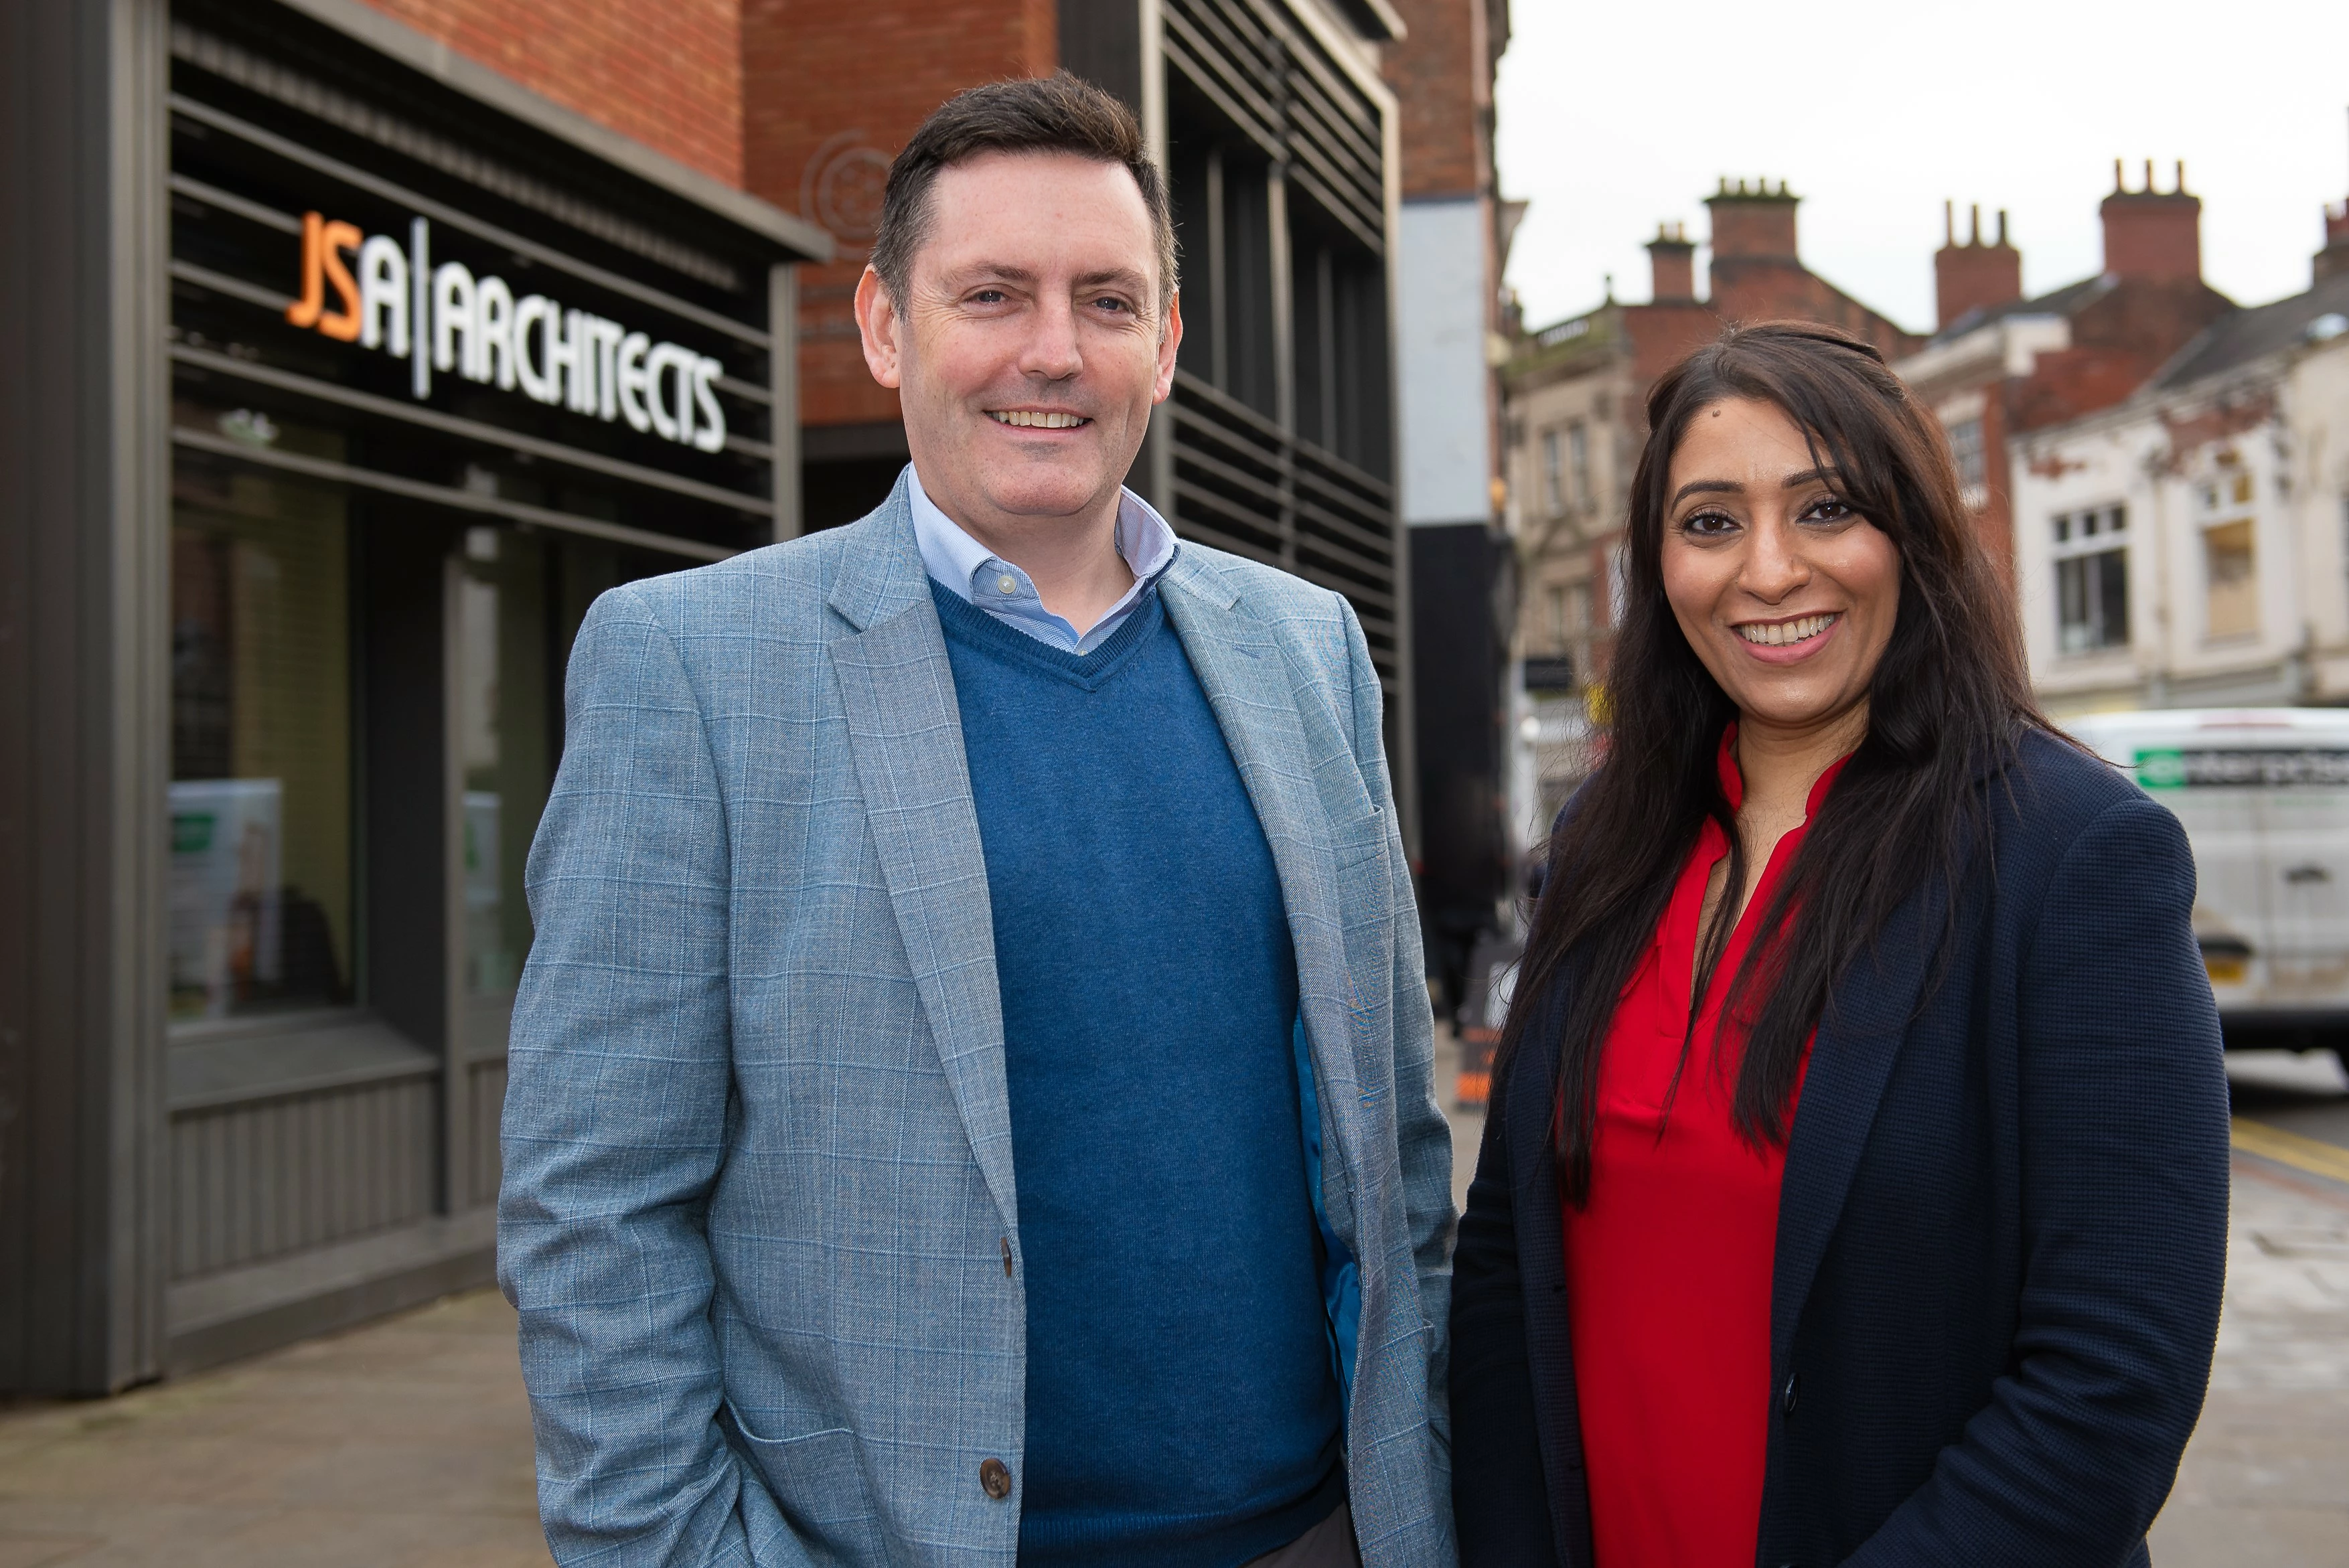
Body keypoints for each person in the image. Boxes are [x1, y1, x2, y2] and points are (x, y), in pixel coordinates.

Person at [498, 73, 1456, 1568]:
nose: (1053, 352)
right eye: (993, 293)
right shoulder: (688, 664)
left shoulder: (1309, 648)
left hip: (1311, 1539)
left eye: (1106, 299)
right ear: (885, 325)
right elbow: (593, 1206)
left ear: (1166, 342)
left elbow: (1393, 1147)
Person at [1448, 321, 2228, 1568]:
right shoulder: (1603, 840)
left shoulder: (2073, 856)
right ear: (1658, 568)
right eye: (1710, 522)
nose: (1768, 569)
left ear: (1911, 536)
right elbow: (1505, 1262)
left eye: (1824, 509)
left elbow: (2112, 1380)